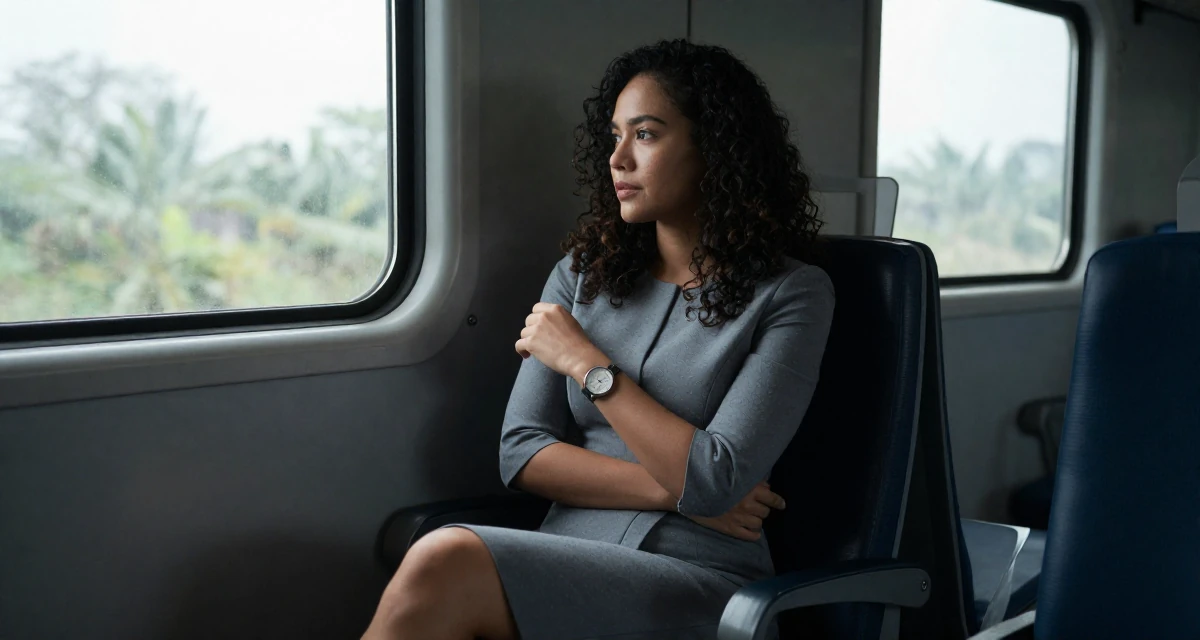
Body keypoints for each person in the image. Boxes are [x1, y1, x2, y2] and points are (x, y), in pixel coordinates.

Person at [362, 38, 835, 640]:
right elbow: (522, 452)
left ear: (714, 150)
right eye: (614, 136)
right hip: (566, 551)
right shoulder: (582, 274)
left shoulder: (793, 294)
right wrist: (676, 493)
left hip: (697, 577)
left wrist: (588, 365)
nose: (617, 159)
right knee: (445, 562)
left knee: (444, 557)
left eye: (645, 134)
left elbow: (717, 477)